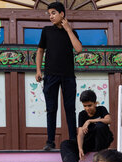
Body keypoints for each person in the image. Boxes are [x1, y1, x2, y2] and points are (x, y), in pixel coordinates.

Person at [36, 1, 83, 151]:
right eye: (49, 14)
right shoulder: (46, 31)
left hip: (68, 76)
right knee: (51, 109)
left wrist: (68, 29)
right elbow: (40, 51)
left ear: (62, 14)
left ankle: (73, 140)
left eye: (53, 13)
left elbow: (79, 49)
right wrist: (38, 70)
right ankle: (50, 141)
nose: (51, 16)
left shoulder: (72, 33)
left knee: (70, 109)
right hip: (50, 76)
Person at [59, 90, 113, 162]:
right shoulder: (82, 115)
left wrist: (89, 121)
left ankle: (100, 154)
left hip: (101, 141)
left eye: (89, 105)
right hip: (88, 142)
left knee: (100, 126)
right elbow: (80, 134)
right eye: (85, 106)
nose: (87, 108)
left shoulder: (101, 109)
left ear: (95, 103)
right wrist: (80, 148)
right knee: (65, 144)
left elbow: (109, 120)